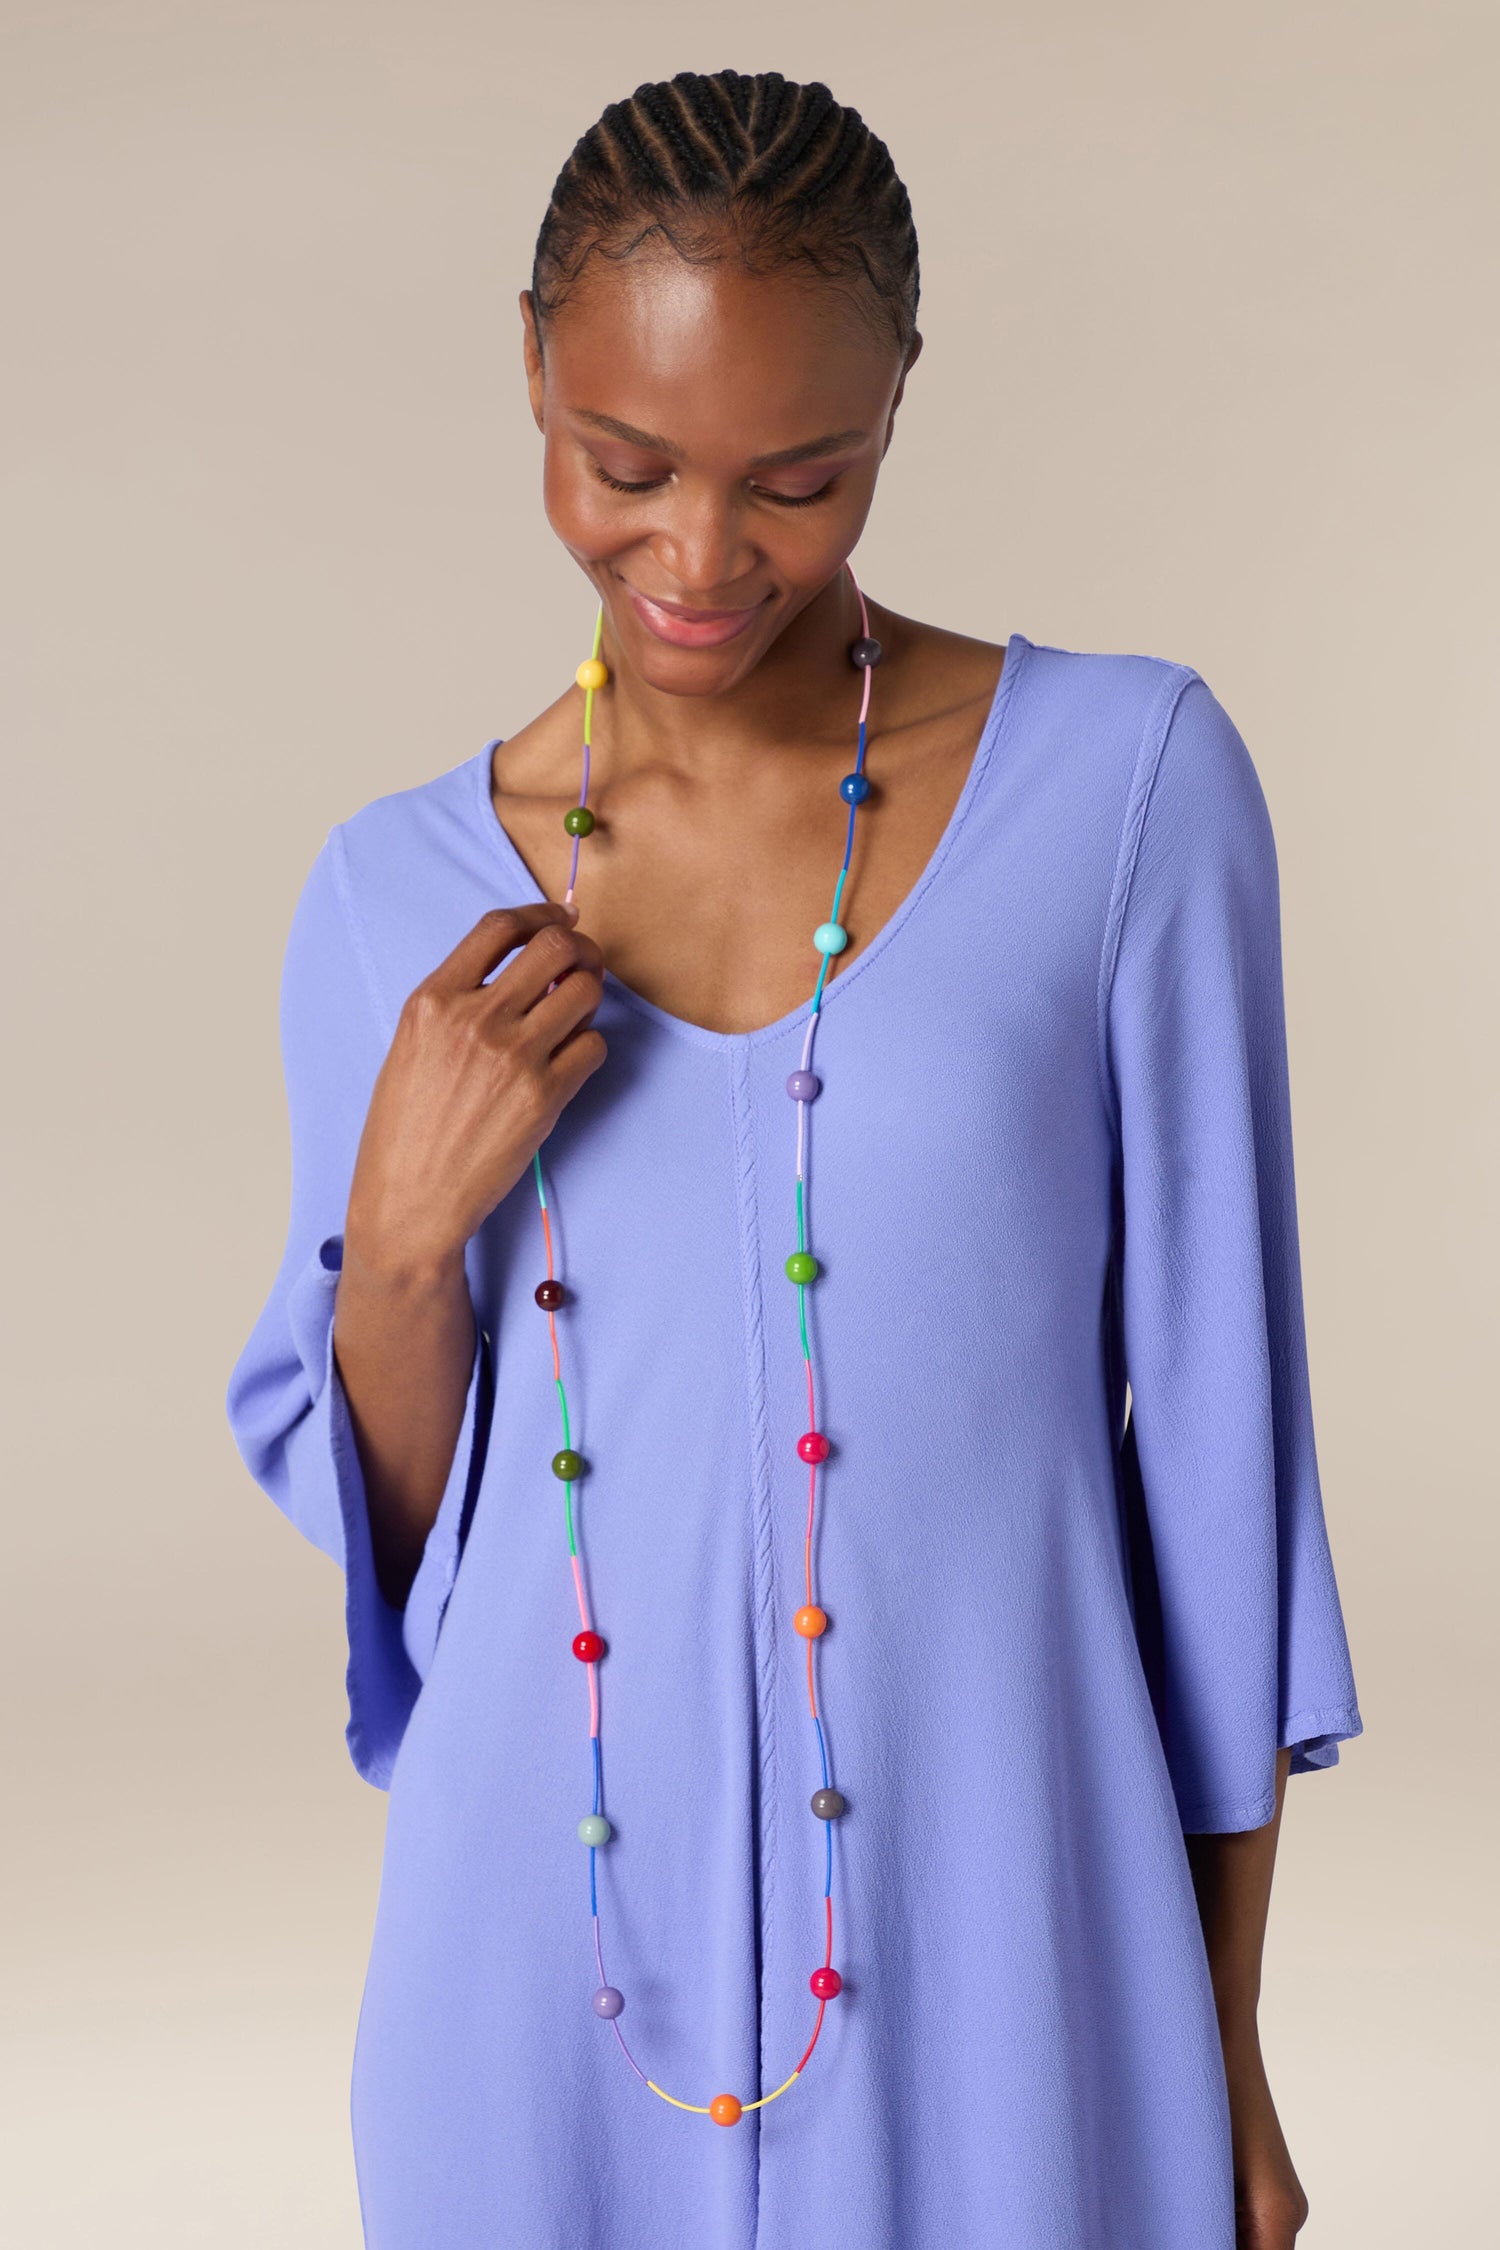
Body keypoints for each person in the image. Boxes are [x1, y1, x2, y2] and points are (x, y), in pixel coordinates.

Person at [225, 67, 1363, 2250]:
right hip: (542, 1951)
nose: (702, 556)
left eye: (801, 478)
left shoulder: (1131, 795)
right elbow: (417, 1568)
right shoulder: (389, 898)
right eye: (623, 466)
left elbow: (1224, 1469)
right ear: (534, 379)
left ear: (898, 407)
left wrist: (1222, 2033)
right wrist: (389, 1255)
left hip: (1009, 1931)